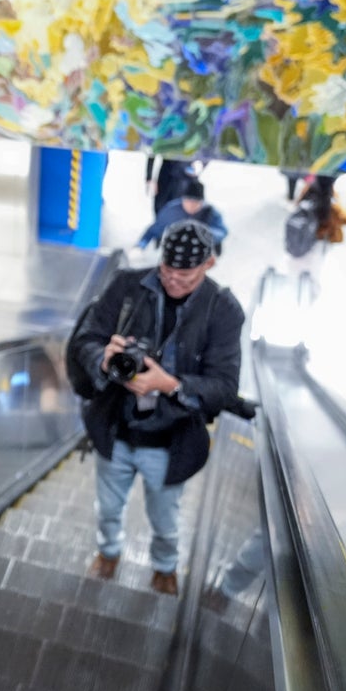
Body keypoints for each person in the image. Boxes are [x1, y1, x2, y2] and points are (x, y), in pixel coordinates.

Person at [69, 220, 243, 595]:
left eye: (185, 275)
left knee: (166, 519)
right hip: (115, 430)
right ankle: (108, 552)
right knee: (108, 507)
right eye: (166, 271)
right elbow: (85, 339)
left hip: (170, 441)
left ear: (209, 264)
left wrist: (171, 384)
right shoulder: (127, 286)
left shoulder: (223, 309)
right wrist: (104, 358)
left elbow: (225, 388)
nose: (173, 281)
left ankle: (165, 566)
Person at [136, 177, 229, 255]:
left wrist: (204, 234)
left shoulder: (211, 212)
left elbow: (222, 231)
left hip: (203, 246)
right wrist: (140, 246)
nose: (192, 205)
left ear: (202, 202)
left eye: (196, 202)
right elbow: (154, 229)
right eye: (189, 201)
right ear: (182, 199)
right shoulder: (171, 210)